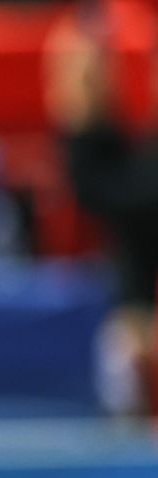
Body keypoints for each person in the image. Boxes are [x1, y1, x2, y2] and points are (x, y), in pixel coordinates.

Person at [46, 4, 158, 415]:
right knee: (117, 353)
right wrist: (85, 122)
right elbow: (114, 198)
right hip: (127, 299)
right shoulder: (133, 155)